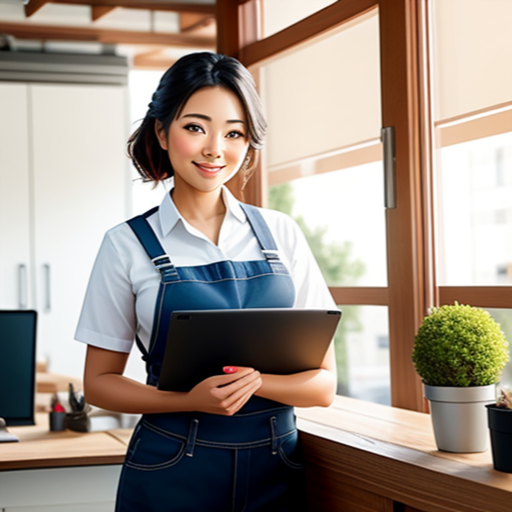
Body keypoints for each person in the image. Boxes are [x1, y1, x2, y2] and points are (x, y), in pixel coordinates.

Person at [75, 52, 337, 512]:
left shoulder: (282, 234)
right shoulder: (126, 245)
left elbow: (322, 386)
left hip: (277, 467)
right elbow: (99, 384)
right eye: (195, 127)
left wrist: (255, 382)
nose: (215, 148)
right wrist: (187, 398)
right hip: (172, 466)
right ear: (162, 131)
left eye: (234, 133)